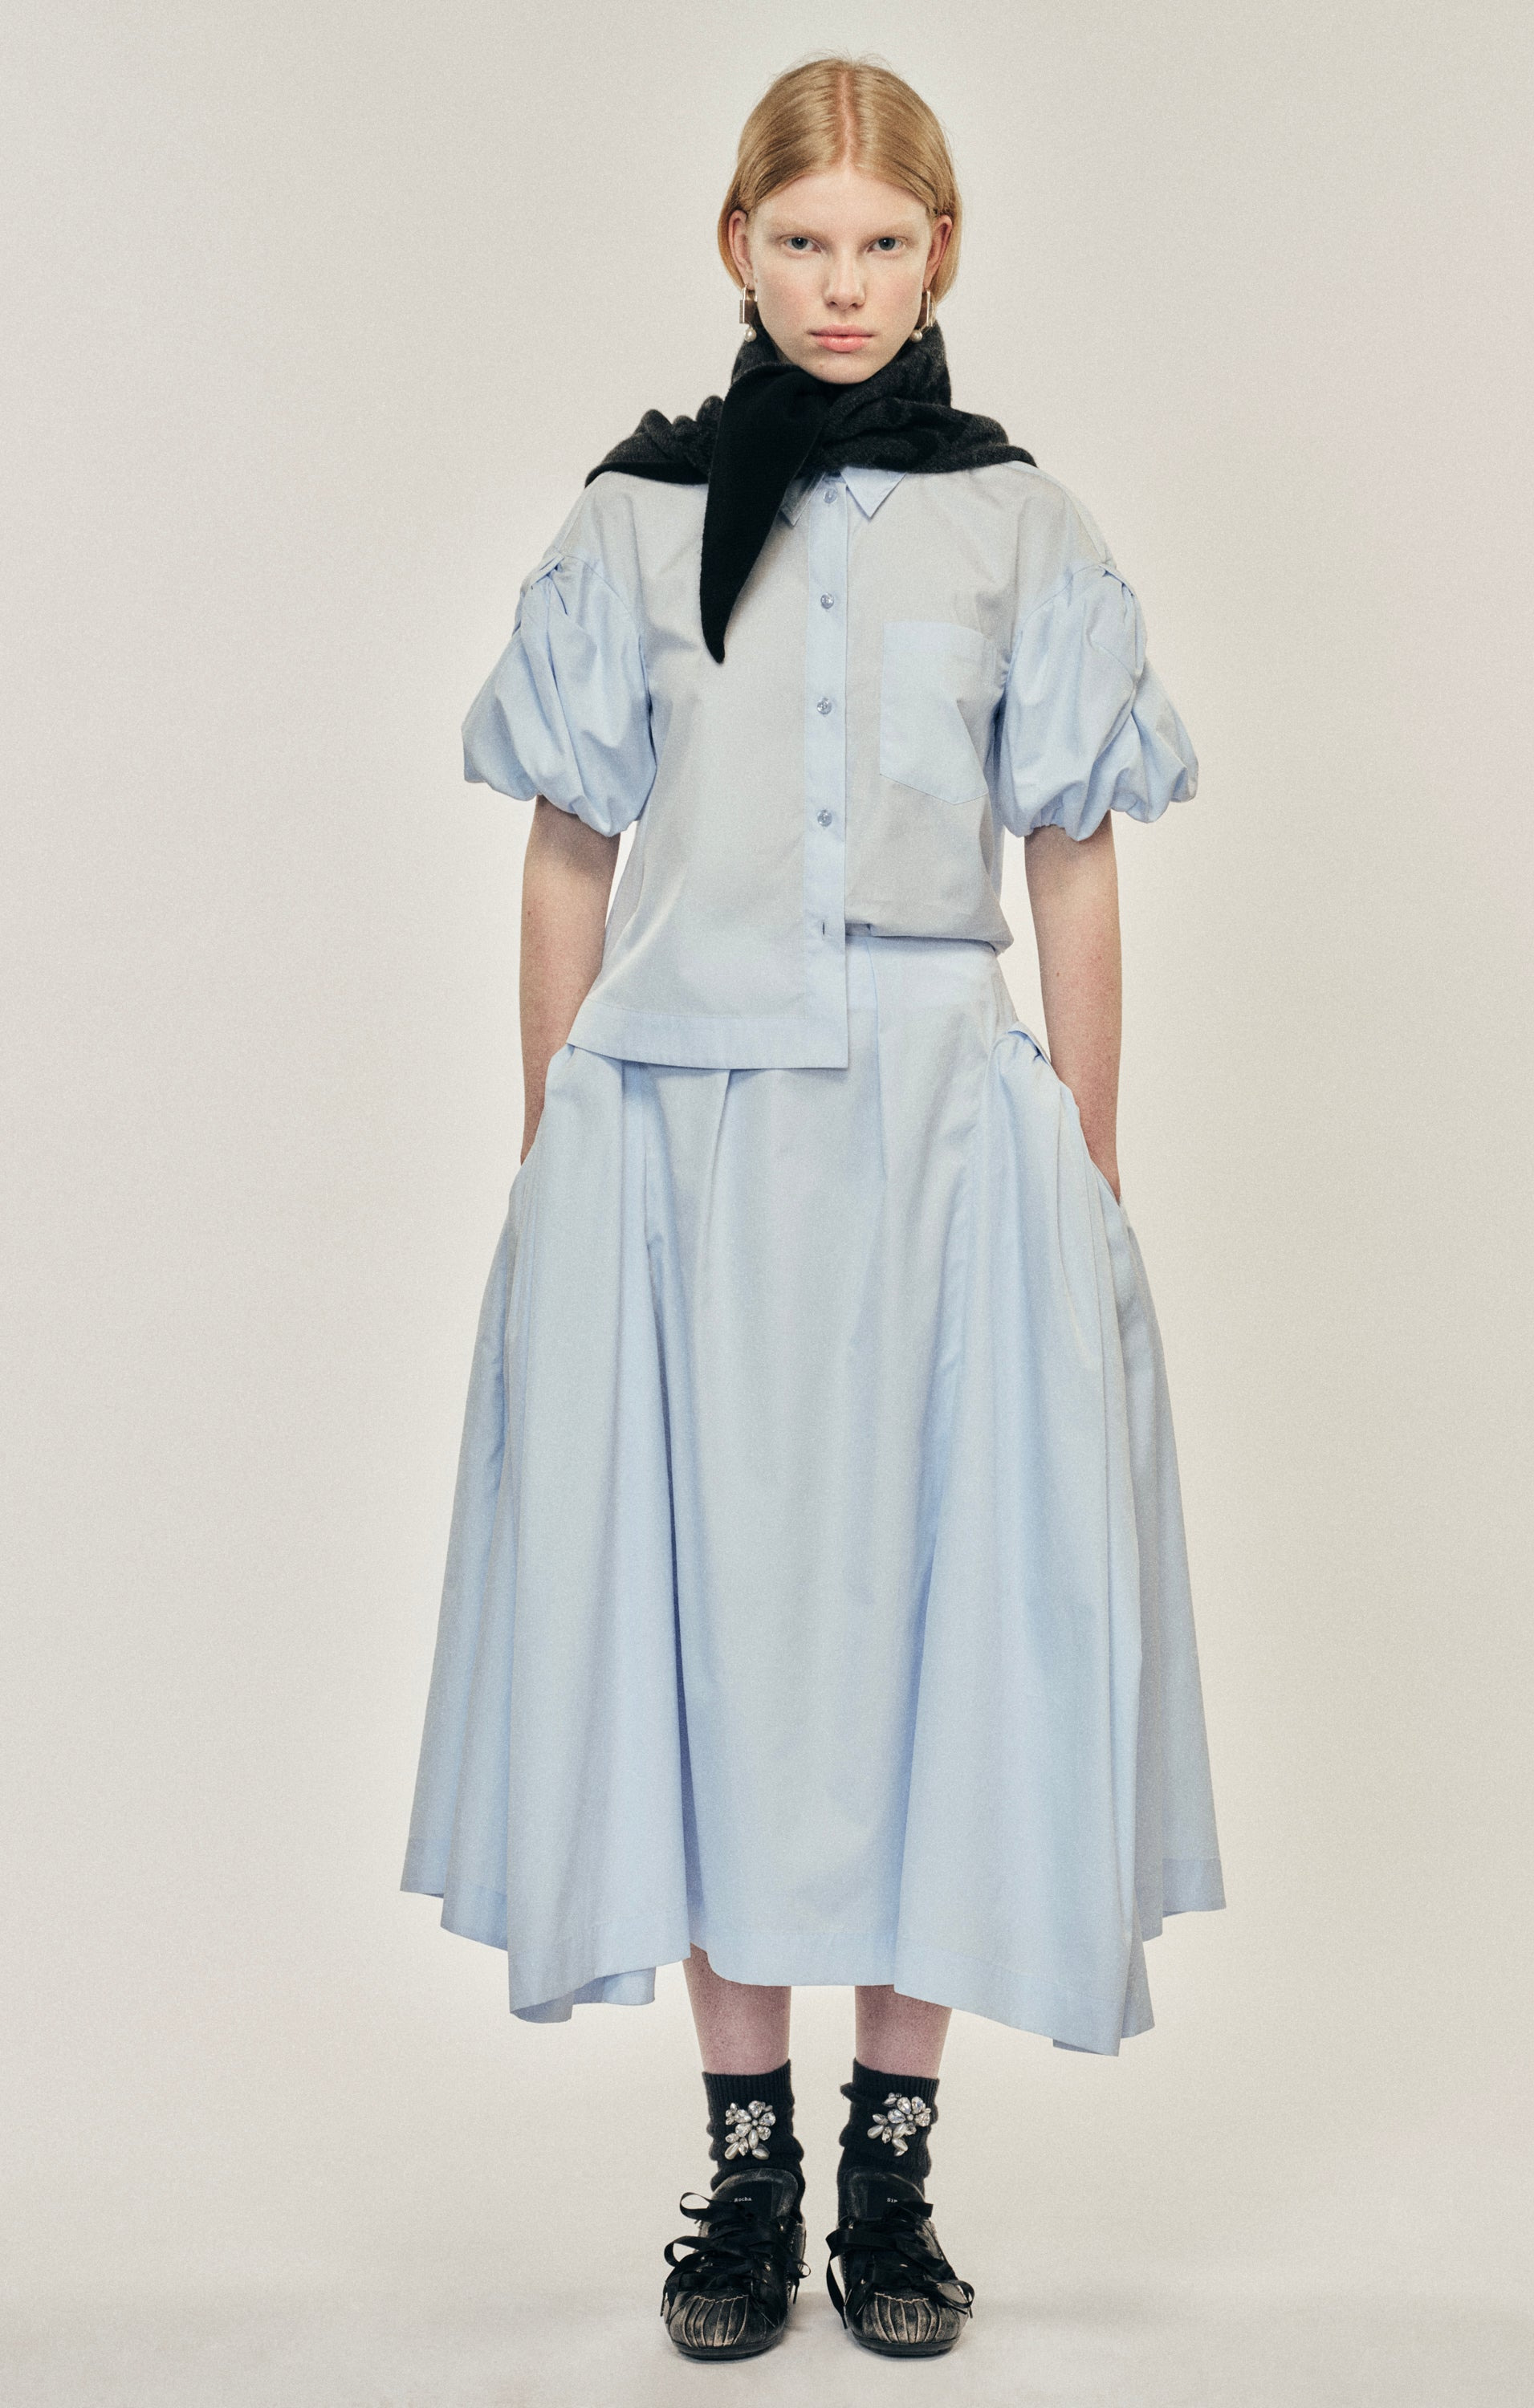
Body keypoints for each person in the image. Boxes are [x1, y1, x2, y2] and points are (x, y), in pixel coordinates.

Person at [401, 52, 1225, 2365]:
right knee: (717, 1631)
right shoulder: (635, 521)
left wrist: (1086, 1155)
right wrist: (554, 1147)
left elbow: (1072, 849)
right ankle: (745, 2162)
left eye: (881, 243)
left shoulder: (1023, 525)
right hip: (683, 1140)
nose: (841, 286)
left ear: (941, 253)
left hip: (940, 1136)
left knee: (939, 1625)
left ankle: (894, 2164)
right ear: (736, 249)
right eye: (801, 243)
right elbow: (568, 848)